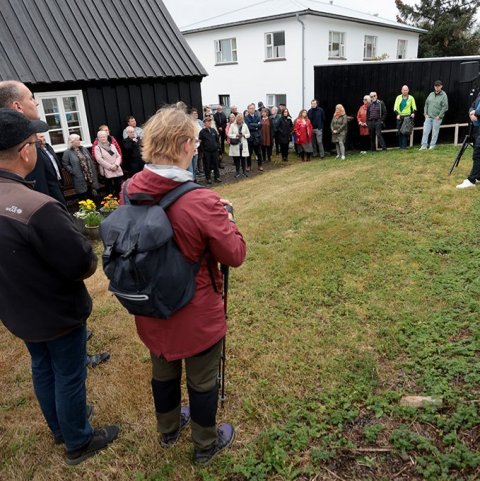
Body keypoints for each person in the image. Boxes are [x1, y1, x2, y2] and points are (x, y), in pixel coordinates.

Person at [121, 106, 246, 465]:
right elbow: (234, 254)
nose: (195, 147)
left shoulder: (129, 189)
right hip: (195, 309)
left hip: (149, 305)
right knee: (202, 379)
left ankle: (169, 429)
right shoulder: (201, 201)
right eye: (192, 141)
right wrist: (226, 218)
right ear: (180, 144)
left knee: (162, 369)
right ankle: (205, 444)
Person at [0, 108, 119, 465]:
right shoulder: (38, 207)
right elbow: (82, 262)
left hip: (17, 311)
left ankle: (60, 427)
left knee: (42, 366)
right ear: (25, 152)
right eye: (35, 141)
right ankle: (78, 440)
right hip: (56, 312)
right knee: (69, 374)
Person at [0, 80, 66, 205]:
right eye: (31, 98)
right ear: (18, 106)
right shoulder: (21, 143)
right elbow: (38, 188)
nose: (36, 103)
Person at [62, 134, 100, 200]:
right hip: (79, 177)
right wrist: (73, 171)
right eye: (77, 140)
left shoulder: (84, 149)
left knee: (92, 195)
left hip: (90, 176)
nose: (79, 141)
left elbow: (91, 159)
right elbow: (65, 164)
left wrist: (93, 168)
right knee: (83, 195)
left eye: (79, 139)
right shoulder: (67, 152)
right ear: (72, 142)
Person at [456, 92, 480, 189]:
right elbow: (473, 105)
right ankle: (478, 176)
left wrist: (476, 114)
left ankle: (471, 180)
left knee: (478, 153)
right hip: (477, 128)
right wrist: (471, 112)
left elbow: (477, 111)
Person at [420, 80, 449, 150]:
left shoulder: (444, 95)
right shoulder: (431, 94)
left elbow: (445, 107)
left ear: (441, 86)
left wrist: (439, 116)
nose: (437, 87)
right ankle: (424, 146)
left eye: (438, 86)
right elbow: (426, 104)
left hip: (437, 118)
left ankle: (432, 145)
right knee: (425, 131)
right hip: (428, 117)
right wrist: (425, 113)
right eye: (436, 86)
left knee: (435, 132)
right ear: (434, 86)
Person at [94, 130, 123, 196]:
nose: (103, 138)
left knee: (119, 186)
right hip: (107, 170)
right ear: (98, 138)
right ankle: (111, 204)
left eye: (104, 137)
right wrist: (110, 167)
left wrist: (116, 165)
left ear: (107, 137)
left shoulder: (112, 145)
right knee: (109, 190)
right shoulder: (97, 148)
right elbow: (99, 160)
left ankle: (120, 201)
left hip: (116, 168)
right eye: (101, 137)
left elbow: (118, 156)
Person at [199, 116, 221, 184]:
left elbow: (217, 140)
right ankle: (208, 178)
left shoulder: (213, 130)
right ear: (204, 123)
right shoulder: (202, 132)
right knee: (207, 165)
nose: (209, 123)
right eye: (207, 121)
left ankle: (217, 177)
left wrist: (218, 147)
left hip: (214, 151)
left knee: (216, 164)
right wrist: (203, 151)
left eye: (210, 121)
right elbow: (201, 143)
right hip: (207, 152)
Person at [394, 85, 417, 149]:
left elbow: (414, 107)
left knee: (405, 132)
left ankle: (404, 147)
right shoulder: (398, 97)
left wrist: (413, 113)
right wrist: (397, 114)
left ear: (408, 90)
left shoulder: (411, 98)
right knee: (399, 131)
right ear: (401, 90)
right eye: (404, 90)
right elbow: (395, 108)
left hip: (407, 117)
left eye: (406, 90)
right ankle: (401, 146)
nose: (405, 91)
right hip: (400, 117)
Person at [228, 113, 250, 178]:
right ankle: (237, 172)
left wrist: (244, 135)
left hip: (243, 145)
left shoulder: (245, 125)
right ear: (237, 119)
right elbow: (229, 134)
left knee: (243, 159)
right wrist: (236, 135)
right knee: (237, 159)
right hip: (236, 145)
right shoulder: (232, 125)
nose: (240, 121)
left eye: (241, 120)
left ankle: (244, 172)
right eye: (239, 120)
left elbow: (248, 134)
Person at [245, 103, 264, 172]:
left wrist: (253, 125)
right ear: (248, 109)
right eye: (251, 108)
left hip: (257, 137)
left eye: (253, 108)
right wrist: (256, 125)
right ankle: (249, 166)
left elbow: (260, 125)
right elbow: (248, 126)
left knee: (258, 153)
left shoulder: (258, 116)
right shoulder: (246, 118)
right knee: (249, 153)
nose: (252, 109)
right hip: (250, 137)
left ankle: (260, 165)